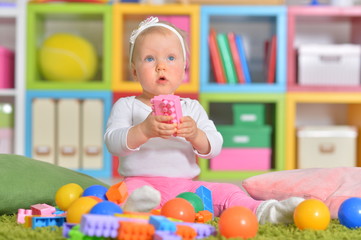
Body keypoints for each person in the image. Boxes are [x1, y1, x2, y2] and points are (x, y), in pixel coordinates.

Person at [104, 16, 303, 224]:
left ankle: (266, 211)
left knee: (227, 191)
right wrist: (143, 130)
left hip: (185, 188)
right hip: (141, 184)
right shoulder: (126, 106)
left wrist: (196, 135)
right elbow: (113, 142)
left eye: (171, 58)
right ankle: (138, 212)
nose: (161, 66)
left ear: (184, 69)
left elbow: (214, 146)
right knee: (127, 193)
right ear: (134, 71)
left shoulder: (192, 108)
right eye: (149, 59)